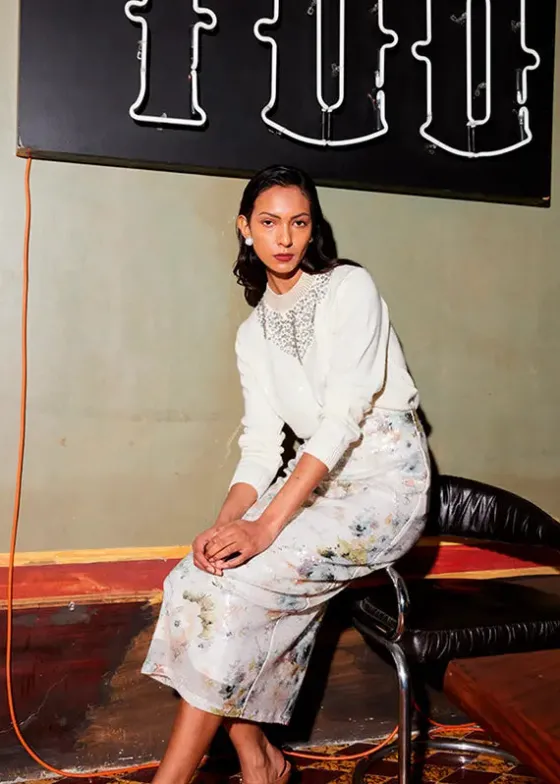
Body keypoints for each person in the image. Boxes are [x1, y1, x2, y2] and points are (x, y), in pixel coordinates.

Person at [141, 165, 431, 784]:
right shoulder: (253, 334)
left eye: (299, 222)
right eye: (269, 223)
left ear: (312, 227)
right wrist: (223, 528)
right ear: (245, 228)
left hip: (383, 486)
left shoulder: (350, 287)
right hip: (315, 483)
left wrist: (264, 528)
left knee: (237, 584)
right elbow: (259, 447)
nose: (285, 237)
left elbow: (343, 419)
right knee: (195, 577)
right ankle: (259, 758)